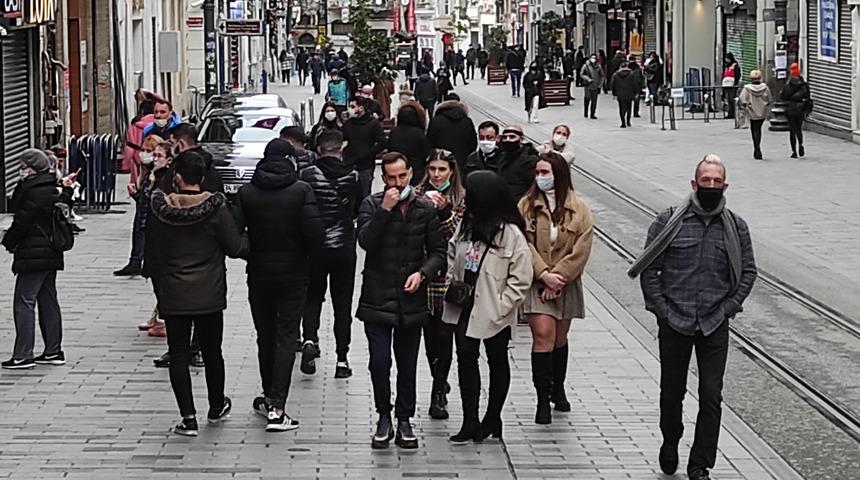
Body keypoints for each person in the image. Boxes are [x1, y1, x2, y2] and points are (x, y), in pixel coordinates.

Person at [628, 155, 757, 480]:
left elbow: (749, 272)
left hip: (715, 321)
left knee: (711, 394)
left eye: (717, 181)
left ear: (724, 185)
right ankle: (670, 440)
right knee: (672, 392)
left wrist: (729, 307)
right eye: (706, 180)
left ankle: (700, 464)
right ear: (694, 183)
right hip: (675, 321)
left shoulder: (736, 226)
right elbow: (649, 269)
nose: (711, 186)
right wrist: (662, 310)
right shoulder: (669, 220)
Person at [143, 151, 249, 436]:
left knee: (178, 354)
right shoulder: (215, 209)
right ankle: (216, 405)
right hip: (209, 293)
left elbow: (151, 251)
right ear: (201, 178)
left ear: (177, 177)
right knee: (212, 351)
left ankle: (188, 417)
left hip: (174, 293)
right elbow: (235, 248)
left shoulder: (160, 210)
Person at [356, 152, 447, 450]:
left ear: (410, 173)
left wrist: (422, 274)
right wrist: (384, 210)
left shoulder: (424, 209)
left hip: (411, 299)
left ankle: (404, 418)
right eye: (392, 178)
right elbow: (366, 242)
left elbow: (438, 252)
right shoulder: (372, 204)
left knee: (407, 363)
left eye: (402, 176)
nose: (398, 183)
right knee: (379, 362)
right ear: (383, 179)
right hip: (377, 295)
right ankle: (384, 415)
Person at [234, 139, 324, 432]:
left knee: (265, 335)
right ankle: (278, 407)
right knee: (287, 336)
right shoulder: (301, 191)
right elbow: (315, 234)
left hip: (258, 273)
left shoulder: (247, 191)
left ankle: (268, 395)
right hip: (294, 274)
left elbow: (235, 236)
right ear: (289, 160)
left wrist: (254, 251)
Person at [444, 170, 532, 442]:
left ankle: (493, 417)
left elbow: (522, 277)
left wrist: (503, 306)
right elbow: (451, 254)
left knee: (497, 360)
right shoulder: (466, 226)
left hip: (493, 309)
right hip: (464, 306)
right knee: (466, 359)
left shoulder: (511, 233)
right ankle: (470, 419)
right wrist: (451, 283)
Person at [518, 152, 593, 424]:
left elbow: (581, 248)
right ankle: (541, 399)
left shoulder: (579, 208)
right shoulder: (526, 206)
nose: (541, 177)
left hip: (567, 283)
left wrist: (558, 277)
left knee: (559, 339)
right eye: (537, 172)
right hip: (536, 282)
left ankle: (557, 387)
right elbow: (522, 244)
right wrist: (544, 275)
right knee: (543, 336)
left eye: (545, 172)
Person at [1, 150, 70, 369]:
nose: (20, 170)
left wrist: (8, 241)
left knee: (24, 301)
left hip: (34, 253)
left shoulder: (34, 191)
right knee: (48, 298)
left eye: (23, 165)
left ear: (32, 167)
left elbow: (22, 223)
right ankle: (53, 350)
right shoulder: (48, 187)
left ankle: (23, 354)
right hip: (48, 252)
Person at [299, 130, 359, 379]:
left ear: (318, 149)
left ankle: (310, 338)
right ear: (341, 148)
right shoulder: (353, 176)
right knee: (342, 303)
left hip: (315, 247)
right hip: (344, 246)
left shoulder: (306, 176)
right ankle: (342, 359)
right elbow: (357, 209)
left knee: (312, 296)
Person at [413, 149, 466, 420]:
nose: (436, 175)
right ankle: (438, 377)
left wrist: (444, 210)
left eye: (441, 170)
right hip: (424, 275)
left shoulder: (461, 198)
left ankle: (438, 393)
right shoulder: (415, 194)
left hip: (449, 277)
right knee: (429, 338)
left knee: (445, 337)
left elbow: (459, 232)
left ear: (451, 172)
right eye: (432, 169)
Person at [342, 96, 386, 205]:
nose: (350, 109)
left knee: (364, 195)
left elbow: (382, 142)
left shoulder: (373, 124)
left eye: (352, 106)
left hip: (365, 165)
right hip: (348, 164)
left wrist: (368, 153)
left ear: (361, 108)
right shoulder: (348, 124)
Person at [427, 97, 477, 175]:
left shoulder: (436, 120)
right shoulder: (467, 121)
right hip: (461, 161)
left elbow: (429, 142)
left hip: (441, 162)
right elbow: (473, 144)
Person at [169, 123, 224, 194]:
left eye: (172, 143)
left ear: (181, 144)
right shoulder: (213, 172)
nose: (170, 148)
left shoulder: (176, 170)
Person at [388, 101, 431, 184]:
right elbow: (426, 151)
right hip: (416, 167)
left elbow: (390, 149)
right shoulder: (419, 133)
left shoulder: (394, 132)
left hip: (398, 166)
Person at [493, 125, 538, 199]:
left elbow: (533, 187)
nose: (508, 140)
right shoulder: (501, 156)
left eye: (512, 137)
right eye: (505, 137)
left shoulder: (529, 160)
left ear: (521, 139)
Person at [738, 69, 771, 160]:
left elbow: (742, 99)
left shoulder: (747, 89)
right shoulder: (765, 88)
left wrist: (745, 107)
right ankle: (758, 147)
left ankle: (756, 147)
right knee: (759, 129)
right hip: (762, 111)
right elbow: (769, 99)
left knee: (754, 129)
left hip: (752, 111)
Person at [780, 63, 811, 158]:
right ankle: (801, 144)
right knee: (799, 128)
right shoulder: (804, 84)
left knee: (792, 130)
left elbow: (783, 96)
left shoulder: (788, 85)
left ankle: (794, 151)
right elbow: (808, 96)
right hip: (801, 108)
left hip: (790, 109)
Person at [610, 61, 638, 128]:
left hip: (620, 94)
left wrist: (614, 93)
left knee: (621, 108)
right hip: (629, 93)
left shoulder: (615, 74)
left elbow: (612, 84)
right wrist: (636, 92)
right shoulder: (631, 74)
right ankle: (628, 121)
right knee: (629, 107)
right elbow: (635, 84)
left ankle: (623, 123)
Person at [580, 54, 604, 119]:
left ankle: (592, 113)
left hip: (596, 86)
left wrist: (600, 85)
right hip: (588, 85)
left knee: (594, 101)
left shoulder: (599, 66)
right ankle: (586, 111)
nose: (593, 59)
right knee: (587, 98)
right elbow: (581, 74)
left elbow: (602, 76)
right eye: (592, 58)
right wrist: (588, 79)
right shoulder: (586, 66)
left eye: (594, 58)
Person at [722, 53, 741, 119]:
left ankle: (733, 113)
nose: (726, 60)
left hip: (732, 85)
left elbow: (737, 75)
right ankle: (730, 113)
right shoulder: (726, 65)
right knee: (728, 100)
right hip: (726, 84)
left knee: (732, 99)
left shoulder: (735, 65)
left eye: (728, 59)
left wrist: (735, 84)